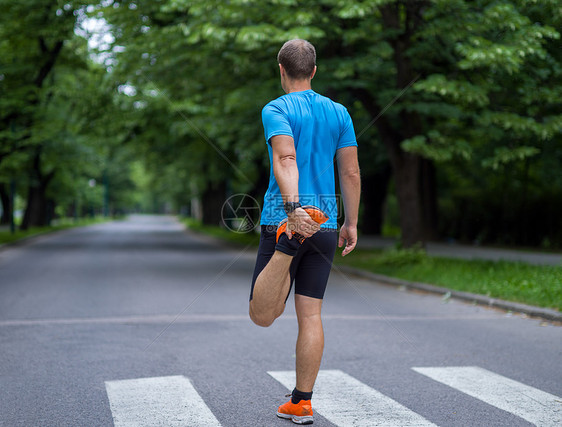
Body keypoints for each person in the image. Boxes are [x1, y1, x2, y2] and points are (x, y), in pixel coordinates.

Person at [249, 39, 361, 425]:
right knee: (310, 315)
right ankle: (302, 402)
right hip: (326, 220)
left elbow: (285, 157)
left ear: (281, 70)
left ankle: (286, 246)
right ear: (314, 70)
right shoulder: (339, 111)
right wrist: (351, 222)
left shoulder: (276, 108)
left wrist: (293, 212)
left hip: (285, 218)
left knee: (263, 315)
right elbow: (350, 172)